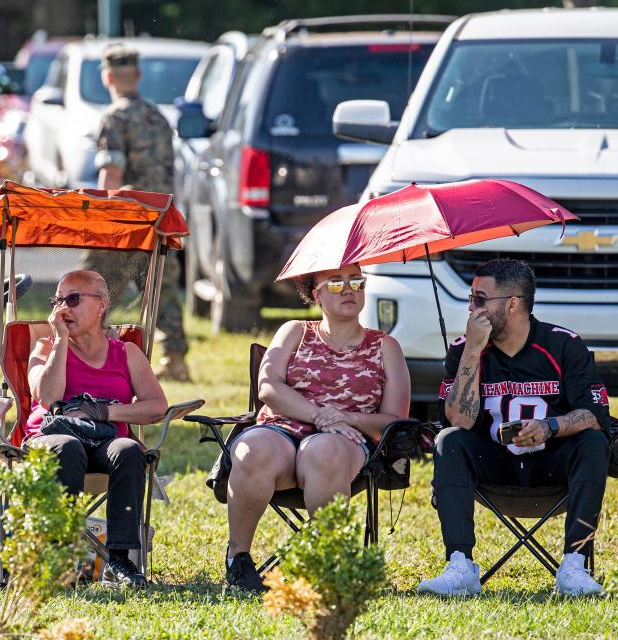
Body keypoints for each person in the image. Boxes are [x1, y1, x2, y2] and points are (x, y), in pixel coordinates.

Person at [418, 258, 611, 597]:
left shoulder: (564, 345)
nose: (471, 308)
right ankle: (460, 564)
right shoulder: (465, 349)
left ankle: (574, 564)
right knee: (449, 440)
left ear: (511, 304)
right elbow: (459, 422)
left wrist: (550, 426)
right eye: (471, 299)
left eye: (480, 299)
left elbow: (596, 414)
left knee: (593, 442)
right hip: (493, 467)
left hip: (552, 467)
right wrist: (473, 352)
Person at [224, 265, 410, 593]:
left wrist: (346, 420)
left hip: (345, 443)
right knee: (252, 448)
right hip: (281, 430)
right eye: (336, 283)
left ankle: (325, 562)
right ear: (316, 294)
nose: (349, 289)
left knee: (323, 450)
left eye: (356, 281)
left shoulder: (386, 347)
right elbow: (268, 387)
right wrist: (321, 415)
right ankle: (238, 559)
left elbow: (395, 420)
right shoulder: (295, 331)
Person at [26, 269, 168, 588]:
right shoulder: (46, 348)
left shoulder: (126, 354)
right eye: (58, 300)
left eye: (73, 299)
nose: (63, 308)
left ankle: (120, 561)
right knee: (67, 447)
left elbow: (156, 406)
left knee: (130, 450)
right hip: (52, 439)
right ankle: (60, 556)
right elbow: (48, 398)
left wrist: (104, 412)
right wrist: (61, 340)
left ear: (101, 305)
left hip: (105, 442)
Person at [86, 43, 190, 382]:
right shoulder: (158, 118)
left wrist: (99, 215)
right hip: (161, 216)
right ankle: (175, 359)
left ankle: (86, 352)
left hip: (127, 218)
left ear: (108, 77)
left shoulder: (115, 117)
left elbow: (112, 172)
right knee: (161, 288)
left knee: (95, 286)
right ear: (139, 75)